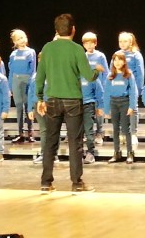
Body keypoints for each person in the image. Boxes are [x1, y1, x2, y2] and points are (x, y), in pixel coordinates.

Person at [35, 13, 102, 194]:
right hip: (73, 101)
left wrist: (39, 98)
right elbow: (89, 76)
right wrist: (97, 70)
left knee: (50, 142)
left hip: (53, 100)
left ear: (56, 30)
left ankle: (46, 182)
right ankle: (76, 183)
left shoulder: (47, 48)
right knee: (75, 142)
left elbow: (40, 76)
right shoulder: (77, 49)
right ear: (73, 29)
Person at [110, 31, 145, 146]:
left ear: (131, 42)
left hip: (131, 87)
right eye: (120, 41)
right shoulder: (117, 54)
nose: (122, 43)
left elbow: (140, 73)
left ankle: (133, 133)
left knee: (133, 109)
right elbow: (112, 72)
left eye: (125, 41)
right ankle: (123, 133)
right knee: (120, 110)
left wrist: (138, 89)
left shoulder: (136, 55)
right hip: (119, 87)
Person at [104, 50, 138, 164]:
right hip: (113, 103)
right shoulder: (110, 76)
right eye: (115, 60)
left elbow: (133, 91)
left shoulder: (128, 75)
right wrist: (106, 109)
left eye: (120, 60)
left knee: (125, 129)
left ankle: (129, 152)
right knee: (115, 129)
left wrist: (132, 106)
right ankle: (116, 152)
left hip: (124, 102)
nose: (117, 62)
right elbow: (106, 93)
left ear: (124, 61)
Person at [27, 52, 60, 164]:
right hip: (37, 105)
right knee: (43, 130)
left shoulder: (55, 75)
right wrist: (30, 109)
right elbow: (31, 93)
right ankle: (44, 154)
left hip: (51, 104)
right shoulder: (35, 76)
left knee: (53, 130)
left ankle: (54, 155)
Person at [8, 29, 37, 144]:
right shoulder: (13, 54)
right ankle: (20, 133)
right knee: (19, 106)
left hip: (27, 79)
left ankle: (30, 132)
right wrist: (10, 87)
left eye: (23, 37)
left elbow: (33, 69)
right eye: (19, 38)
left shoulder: (31, 52)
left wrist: (32, 83)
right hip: (16, 80)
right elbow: (11, 71)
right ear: (14, 42)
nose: (22, 40)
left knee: (28, 105)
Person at [82, 32, 110, 146]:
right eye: (86, 43)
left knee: (99, 110)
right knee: (87, 113)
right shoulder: (83, 56)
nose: (89, 45)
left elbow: (106, 72)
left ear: (95, 43)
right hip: (87, 88)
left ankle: (99, 132)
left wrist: (104, 87)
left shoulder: (100, 56)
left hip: (99, 88)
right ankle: (87, 133)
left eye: (91, 43)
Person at [81, 61, 105, 165]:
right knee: (76, 132)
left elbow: (99, 92)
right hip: (75, 105)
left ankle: (90, 152)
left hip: (88, 106)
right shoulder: (74, 76)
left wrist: (100, 106)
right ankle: (78, 153)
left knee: (88, 130)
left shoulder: (92, 77)